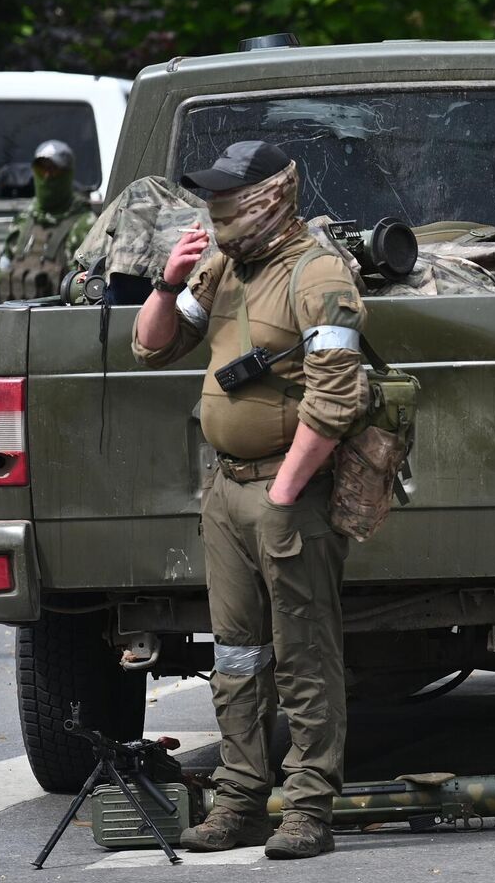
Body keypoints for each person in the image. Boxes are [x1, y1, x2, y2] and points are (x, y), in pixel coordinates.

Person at [133, 140, 367, 859]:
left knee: (304, 654)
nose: (219, 207)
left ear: (272, 194)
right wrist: (169, 284)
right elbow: (151, 348)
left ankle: (307, 809)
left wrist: (287, 492)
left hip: (285, 492)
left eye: (232, 193)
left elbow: (336, 397)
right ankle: (239, 801)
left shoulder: (317, 273)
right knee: (235, 656)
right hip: (226, 489)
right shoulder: (222, 267)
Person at [0, 140, 94, 346]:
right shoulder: (24, 221)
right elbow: (1, 273)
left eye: (54, 170)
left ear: (66, 175)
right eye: (41, 169)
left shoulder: (84, 224)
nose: (46, 177)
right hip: (15, 334)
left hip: (59, 336)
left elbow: (84, 289)